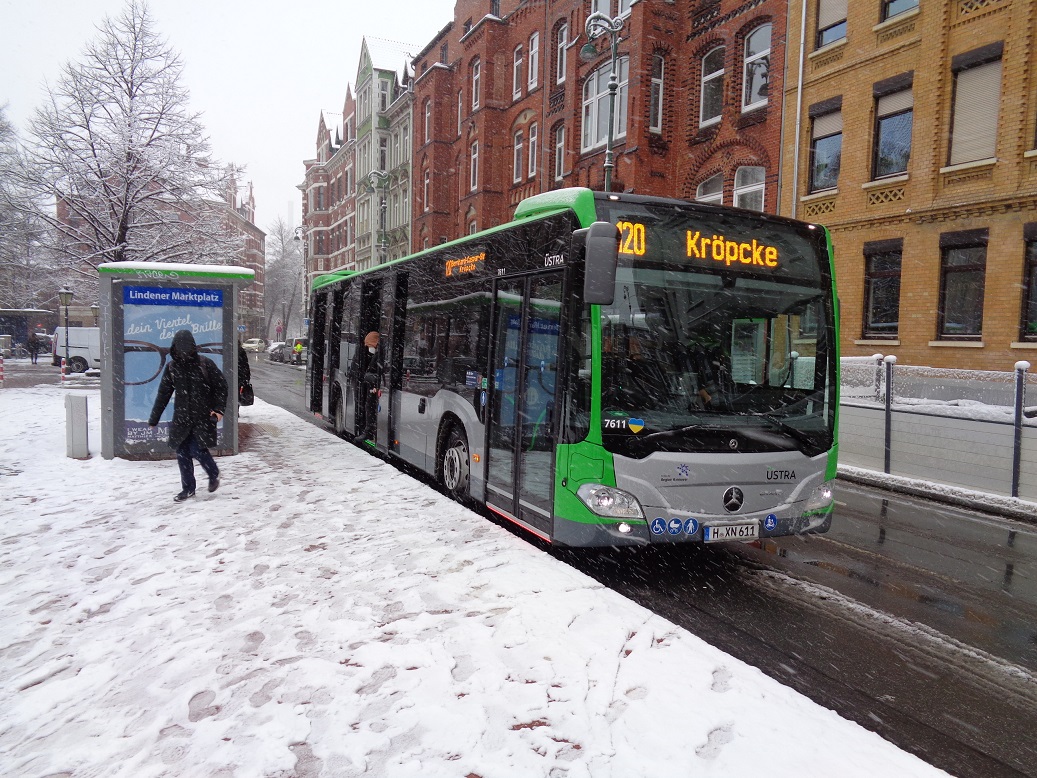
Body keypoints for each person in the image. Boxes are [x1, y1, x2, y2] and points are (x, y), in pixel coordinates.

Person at [148, 329, 228, 502]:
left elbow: (221, 387)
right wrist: (154, 418)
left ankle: (213, 473)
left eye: (187, 349)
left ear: (193, 348)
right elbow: (163, 394)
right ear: (174, 349)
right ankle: (188, 488)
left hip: (203, 416)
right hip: (182, 417)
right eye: (179, 349)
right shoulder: (172, 368)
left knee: (196, 449)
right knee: (182, 452)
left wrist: (219, 410)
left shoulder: (204, 364)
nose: (183, 353)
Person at [348, 331, 383, 441]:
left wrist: (368, 377)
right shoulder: (374, 353)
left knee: (370, 405)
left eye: (369, 345)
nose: (368, 347)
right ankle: (368, 430)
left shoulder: (379, 354)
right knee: (368, 405)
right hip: (371, 385)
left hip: (374, 385)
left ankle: (369, 431)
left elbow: (377, 372)